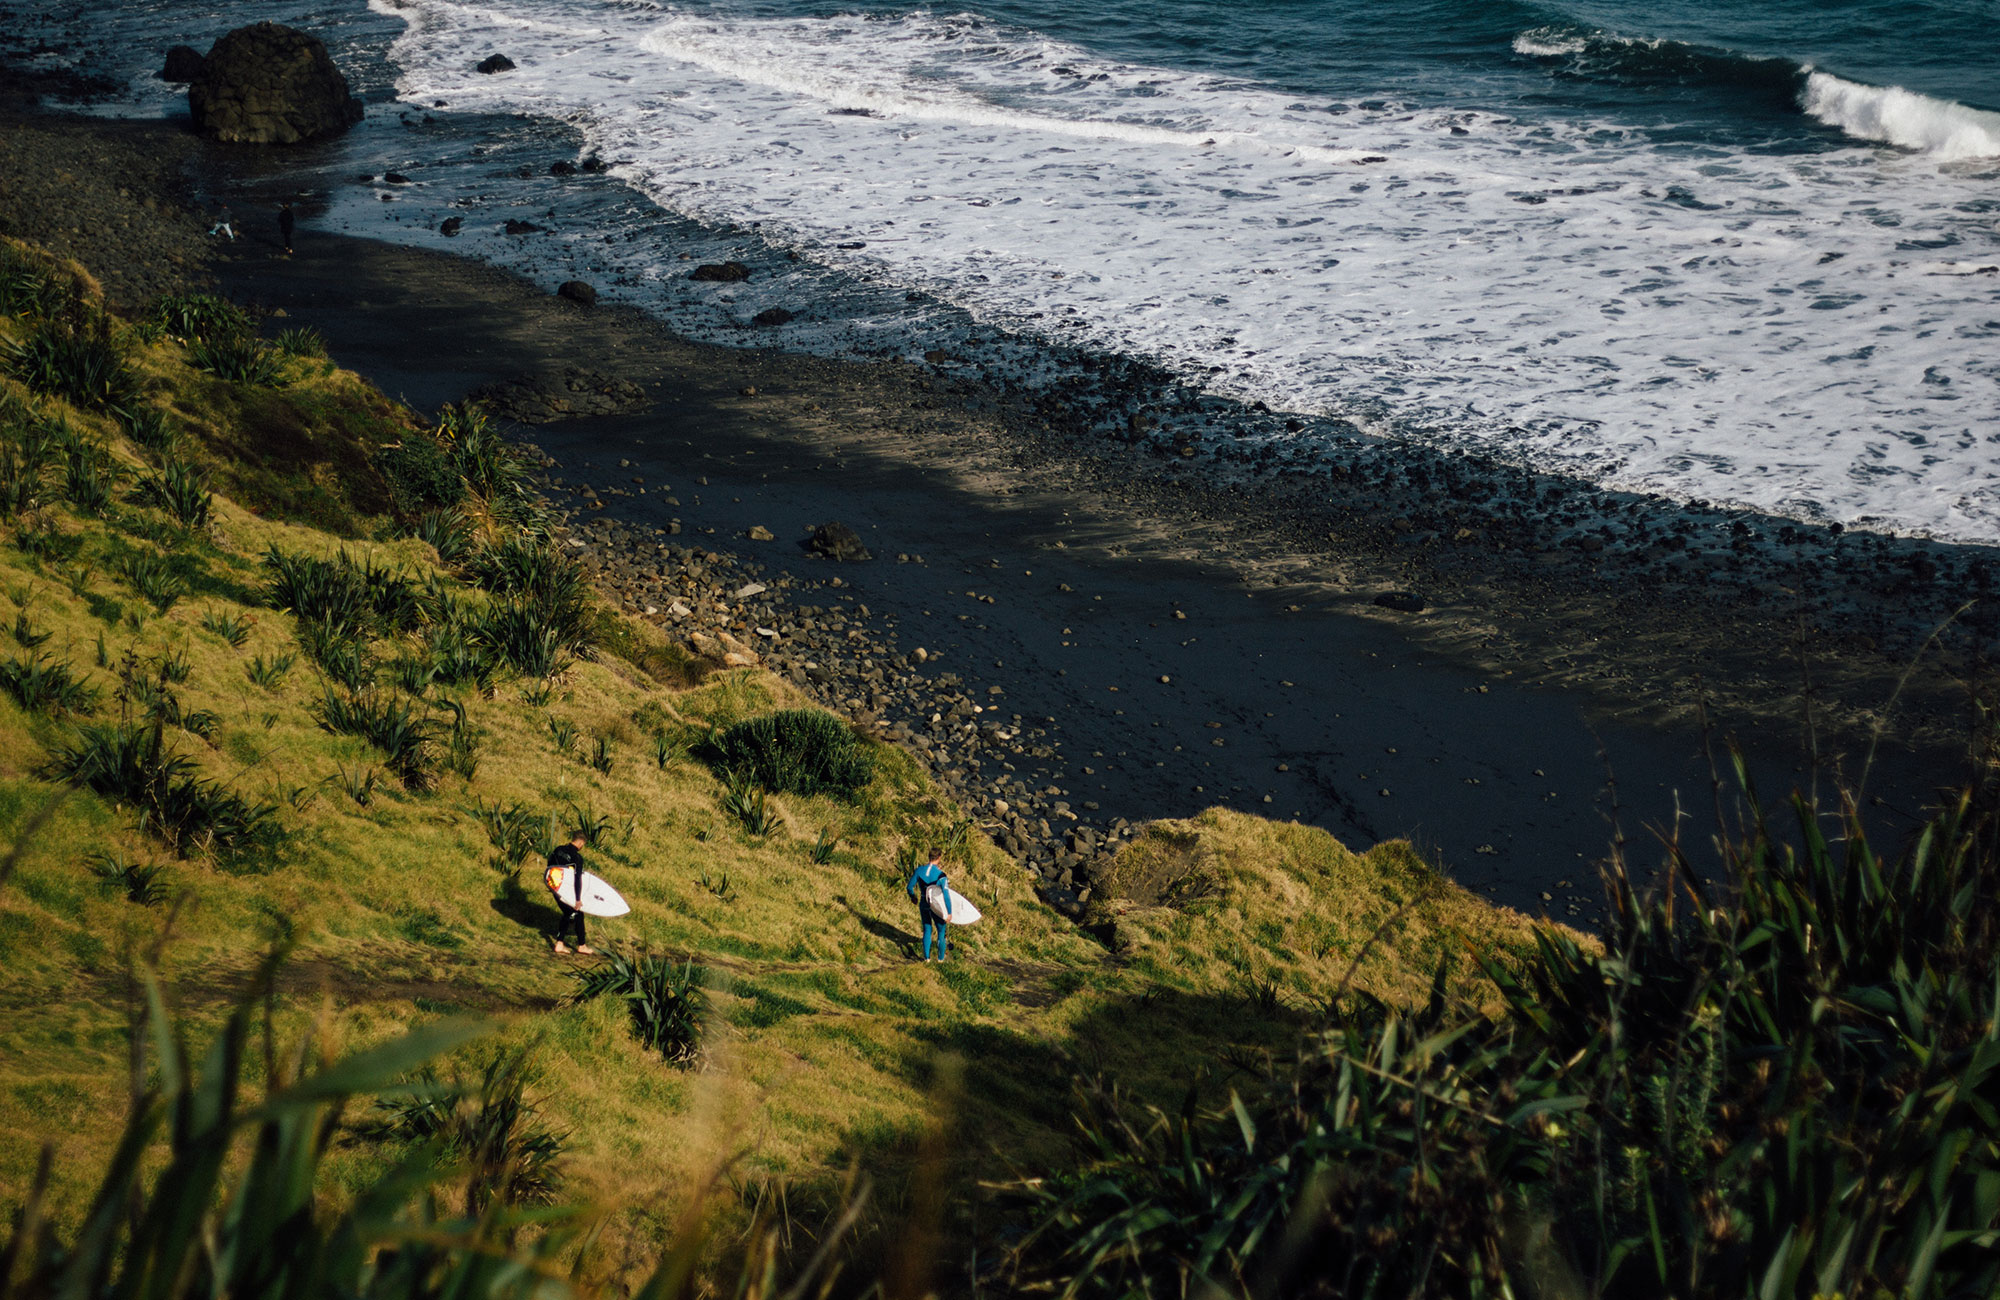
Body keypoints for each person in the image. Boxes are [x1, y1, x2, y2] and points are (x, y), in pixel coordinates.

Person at [545, 830, 595, 955]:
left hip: (555, 886)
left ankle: (566, 944)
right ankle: (574, 945)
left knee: (571, 913)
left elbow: (549, 866)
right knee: (574, 912)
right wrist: (578, 899)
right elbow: (577, 879)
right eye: (583, 844)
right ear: (581, 842)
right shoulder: (577, 858)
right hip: (566, 890)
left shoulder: (559, 849)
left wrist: (550, 884)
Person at [906, 846, 953, 961]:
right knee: (941, 931)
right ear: (939, 857)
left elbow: (909, 887)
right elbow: (946, 896)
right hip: (937, 905)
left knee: (927, 929)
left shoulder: (919, 870)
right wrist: (949, 912)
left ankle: (927, 959)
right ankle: (940, 959)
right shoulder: (941, 875)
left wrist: (913, 897)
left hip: (924, 903)